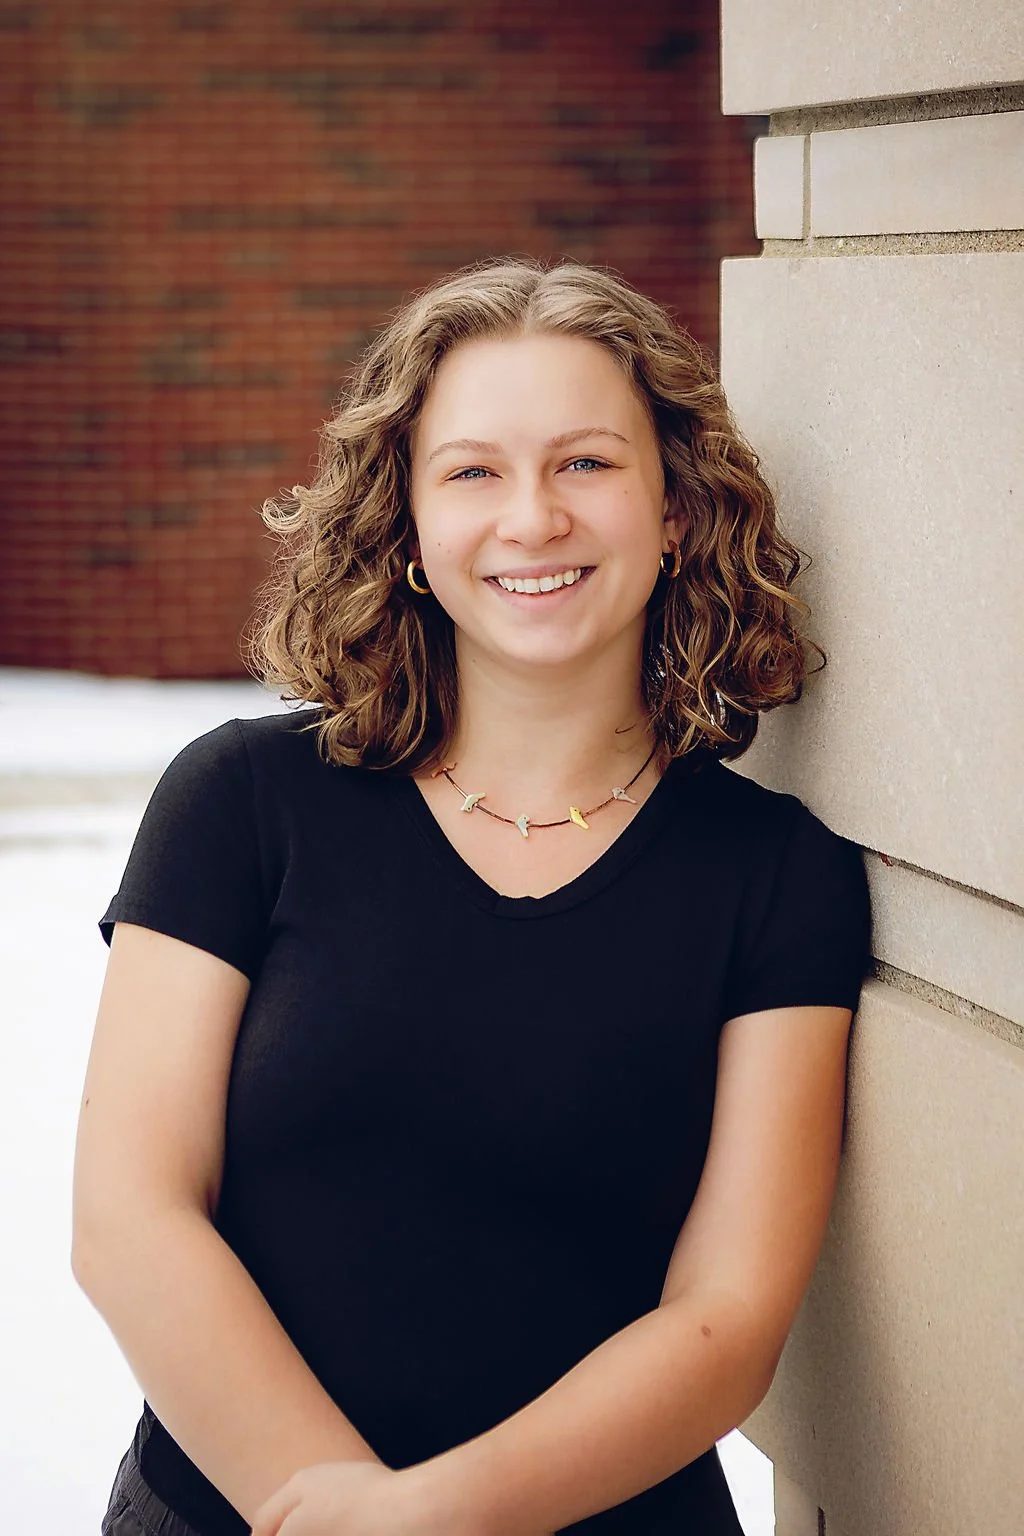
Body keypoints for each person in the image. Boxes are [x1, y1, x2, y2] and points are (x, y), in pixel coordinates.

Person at [72, 257, 871, 1536]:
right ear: (408, 531)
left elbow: (723, 1324)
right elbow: (130, 1217)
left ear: (675, 510)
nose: (533, 518)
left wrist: (436, 1518)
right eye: (473, 471)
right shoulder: (242, 803)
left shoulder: (777, 875)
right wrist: (343, 1517)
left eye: (587, 464)